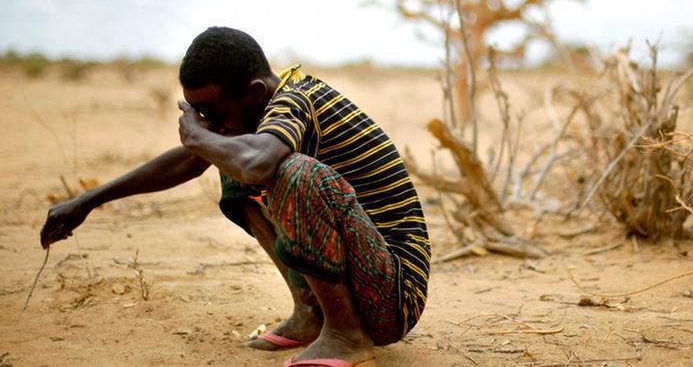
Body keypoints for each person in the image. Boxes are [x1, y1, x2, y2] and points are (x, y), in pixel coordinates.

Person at [39, 27, 431, 367]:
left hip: (392, 297)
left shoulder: (296, 101)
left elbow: (256, 163)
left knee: (289, 171)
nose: (206, 123)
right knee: (234, 159)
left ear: (255, 92)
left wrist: (199, 136)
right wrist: (88, 201)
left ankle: (346, 335)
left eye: (211, 112)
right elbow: (193, 160)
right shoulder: (260, 115)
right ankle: (310, 312)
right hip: (367, 280)